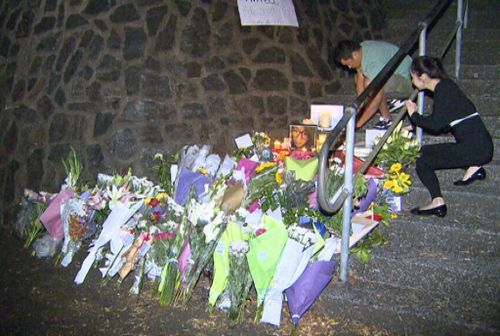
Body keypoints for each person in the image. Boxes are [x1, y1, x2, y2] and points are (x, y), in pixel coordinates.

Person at [405, 56, 493, 217]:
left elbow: (436, 125)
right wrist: (415, 124)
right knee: (430, 151)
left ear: (422, 77)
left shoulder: (443, 91)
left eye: (412, 76)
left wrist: (414, 115)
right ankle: (474, 168)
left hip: (475, 149)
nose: (411, 81)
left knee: (421, 158)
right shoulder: (446, 87)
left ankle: (437, 201)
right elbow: (445, 120)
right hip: (479, 145)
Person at [333, 40, 414, 129]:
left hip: (410, 83)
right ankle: (394, 101)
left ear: (355, 55)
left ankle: (387, 118)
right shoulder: (362, 49)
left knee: (371, 84)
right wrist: (359, 108)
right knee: (361, 79)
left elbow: (375, 99)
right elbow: (360, 78)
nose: (349, 67)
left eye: (348, 64)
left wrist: (356, 125)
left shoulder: (372, 61)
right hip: (394, 77)